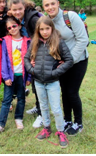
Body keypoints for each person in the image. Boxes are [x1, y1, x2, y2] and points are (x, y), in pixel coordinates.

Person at [42, 0, 88, 136]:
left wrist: (69, 61)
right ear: (44, 7)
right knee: (64, 91)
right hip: (60, 63)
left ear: (58, 3)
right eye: (46, 5)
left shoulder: (71, 17)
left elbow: (83, 40)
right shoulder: (48, 22)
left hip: (78, 60)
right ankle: (67, 119)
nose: (50, 7)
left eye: (52, 3)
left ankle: (78, 122)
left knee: (72, 92)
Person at [24, 16, 73, 148]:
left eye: (47, 28)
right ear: (38, 30)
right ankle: (46, 127)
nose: (45, 32)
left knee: (56, 109)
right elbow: (26, 58)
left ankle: (60, 131)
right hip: (38, 82)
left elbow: (69, 60)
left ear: (52, 28)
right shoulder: (35, 42)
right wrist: (32, 71)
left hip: (53, 82)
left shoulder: (59, 42)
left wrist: (55, 73)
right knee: (43, 106)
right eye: (42, 29)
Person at [0, 16, 31, 136]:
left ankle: (19, 118)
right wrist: (6, 77)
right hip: (10, 77)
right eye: (9, 27)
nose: (12, 29)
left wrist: (28, 78)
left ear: (19, 26)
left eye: (14, 26)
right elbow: (3, 61)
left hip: (22, 76)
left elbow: (30, 59)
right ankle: (0, 124)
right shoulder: (5, 41)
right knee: (7, 100)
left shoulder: (27, 41)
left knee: (21, 98)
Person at [8, 0, 43, 128]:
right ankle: (37, 107)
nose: (17, 12)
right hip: (32, 55)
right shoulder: (21, 18)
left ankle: (41, 114)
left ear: (25, 7)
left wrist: (36, 57)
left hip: (39, 55)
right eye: (14, 10)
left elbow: (41, 38)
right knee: (35, 85)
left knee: (40, 85)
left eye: (19, 9)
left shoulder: (32, 19)